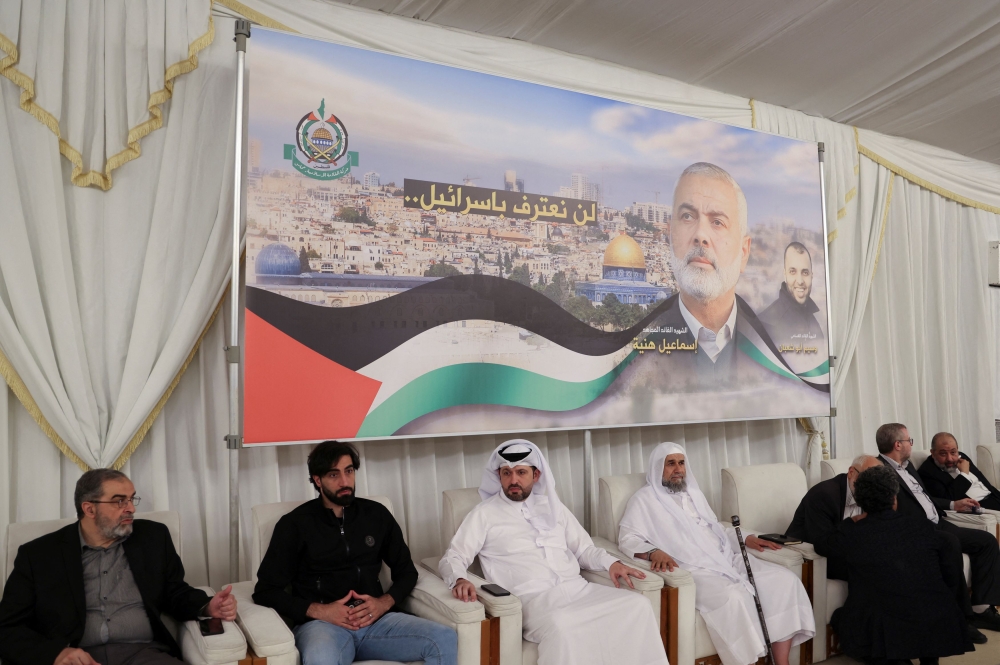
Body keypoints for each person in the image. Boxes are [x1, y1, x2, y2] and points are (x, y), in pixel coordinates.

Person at [439, 439, 667, 665]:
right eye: (506, 473)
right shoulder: (484, 514)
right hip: (534, 601)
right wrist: (459, 578)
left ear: (536, 475)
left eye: (521, 472)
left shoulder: (553, 507)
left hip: (578, 590)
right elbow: (454, 556)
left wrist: (612, 563)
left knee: (638, 605)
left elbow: (585, 549)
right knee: (564, 624)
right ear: (499, 476)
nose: (513, 480)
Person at [0, 469, 237, 665]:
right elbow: (8, 627)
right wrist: (56, 653)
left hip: (143, 655)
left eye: (131, 499)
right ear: (89, 509)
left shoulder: (153, 538)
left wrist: (206, 606)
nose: (131, 508)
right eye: (119, 501)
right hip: (78, 658)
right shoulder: (39, 555)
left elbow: (174, 591)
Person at [253, 441, 457, 665]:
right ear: (318, 480)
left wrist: (384, 603)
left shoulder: (377, 515)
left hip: (376, 622)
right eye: (334, 474)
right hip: (323, 627)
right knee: (321, 659)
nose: (344, 481)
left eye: (349, 471)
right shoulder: (294, 525)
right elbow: (266, 591)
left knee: (443, 638)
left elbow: (407, 572)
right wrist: (320, 611)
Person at [618, 442, 814, 665]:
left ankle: (782, 662)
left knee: (783, 581)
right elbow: (627, 538)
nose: (678, 469)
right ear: (657, 468)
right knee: (734, 597)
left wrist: (746, 537)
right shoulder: (644, 500)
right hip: (693, 570)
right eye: (670, 464)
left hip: (726, 559)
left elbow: (716, 530)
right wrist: (653, 552)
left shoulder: (693, 493)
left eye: (681, 463)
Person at [626, 162, 808, 393]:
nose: (701, 235)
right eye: (688, 216)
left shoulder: (777, 351)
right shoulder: (633, 356)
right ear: (670, 235)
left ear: (743, 252)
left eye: (717, 222)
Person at [786, 453, 987, 644]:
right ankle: (882, 637)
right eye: (868, 477)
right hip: (823, 557)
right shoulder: (824, 494)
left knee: (945, 545)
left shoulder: (877, 490)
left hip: (866, 547)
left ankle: (955, 618)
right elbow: (823, 544)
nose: (874, 483)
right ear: (851, 473)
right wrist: (859, 529)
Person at [825, 466, 972, 665]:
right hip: (936, 618)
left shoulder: (852, 533)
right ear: (895, 497)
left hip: (885, 623)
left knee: (842, 618)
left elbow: (825, 546)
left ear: (860, 500)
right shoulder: (922, 525)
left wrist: (849, 522)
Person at [875, 423, 1000, 632]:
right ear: (898, 444)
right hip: (919, 529)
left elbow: (926, 497)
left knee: (986, 541)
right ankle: (960, 616)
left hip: (939, 522)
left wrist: (952, 504)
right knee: (949, 546)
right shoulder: (881, 470)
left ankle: (981, 608)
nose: (911, 445)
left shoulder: (908, 466)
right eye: (909, 441)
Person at [758, 242, 825, 347]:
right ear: (785, 275)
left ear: (812, 276)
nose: (800, 281)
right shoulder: (766, 324)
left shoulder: (813, 321)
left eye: (805, 273)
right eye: (793, 272)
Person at [919, 432, 1000, 511]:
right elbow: (949, 499)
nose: (950, 459)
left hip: (994, 497)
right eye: (943, 454)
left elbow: (983, 481)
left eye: (953, 452)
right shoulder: (927, 472)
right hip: (978, 506)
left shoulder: (962, 457)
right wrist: (964, 474)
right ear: (933, 453)